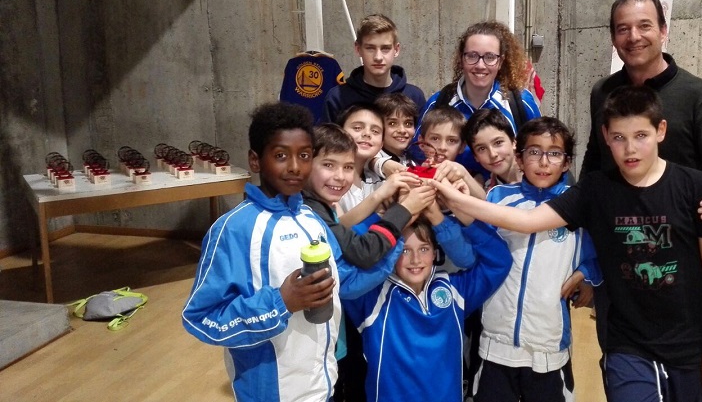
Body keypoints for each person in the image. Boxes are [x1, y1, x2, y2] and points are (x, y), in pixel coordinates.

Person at [432, 86, 702, 402]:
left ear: (661, 130)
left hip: (686, 342)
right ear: (605, 136)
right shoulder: (595, 190)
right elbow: (524, 221)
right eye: (619, 137)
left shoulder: (694, 186)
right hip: (624, 342)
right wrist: (454, 198)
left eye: (641, 135)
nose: (630, 148)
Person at [181, 102, 405, 402]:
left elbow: (345, 283)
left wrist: (399, 238)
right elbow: (202, 318)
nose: (295, 167)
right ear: (255, 160)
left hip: (322, 384)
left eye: (304, 155)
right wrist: (282, 302)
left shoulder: (312, 219)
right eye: (280, 155)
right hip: (272, 394)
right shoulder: (234, 229)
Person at [580, 0, 702, 349]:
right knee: (620, 353)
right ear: (613, 37)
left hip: (680, 253)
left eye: (644, 26)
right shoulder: (602, 93)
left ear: (663, 30)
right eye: (623, 29)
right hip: (619, 249)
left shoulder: (699, 95)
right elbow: (595, 159)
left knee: (687, 357)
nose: (634, 37)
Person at [473, 117, 602, 402]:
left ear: (567, 162)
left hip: (548, 344)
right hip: (496, 341)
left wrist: (586, 274)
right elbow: (479, 250)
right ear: (519, 158)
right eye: (534, 152)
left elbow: (599, 254)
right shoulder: (498, 198)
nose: (544, 162)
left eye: (554, 153)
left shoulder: (577, 204)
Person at [302, 123, 433, 402]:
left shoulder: (322, 208)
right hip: (309, 348)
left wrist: (388, 208)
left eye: (348, 167)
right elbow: (360, 256)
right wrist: (402, 213)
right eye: (328, 165)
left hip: (327, 340)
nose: (340, 176)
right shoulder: (308, 214)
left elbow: (345, 233)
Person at [342, 208, 513, 402]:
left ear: (435, 252)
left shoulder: (454, 290)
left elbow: (499, 260)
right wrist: (388, 217)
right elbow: (339, 248)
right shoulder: (370, 296)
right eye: (404, 250)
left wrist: (438, 219)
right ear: (392, 251)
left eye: (423, 249)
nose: (415, 259)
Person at [415, 20, 541, 174]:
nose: (480, 65)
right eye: (472, 56)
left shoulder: (520, 102)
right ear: (461, 59)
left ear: (500, 61)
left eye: (490, 57)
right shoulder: (439, 102)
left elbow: (539, 152)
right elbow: (416, 150)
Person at [321, 14, 426, 123]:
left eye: (385, 48)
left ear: (396, 50)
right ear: (358, 49)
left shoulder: (414, 96)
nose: (378, 57)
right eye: (370, 48)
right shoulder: (337, 97)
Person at [463, 109, 521, 190]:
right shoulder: (490, 192)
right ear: (475, 156)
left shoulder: (538, 175)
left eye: (498, 143)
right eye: (482, 148)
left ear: (514, 142)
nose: (492, 154)